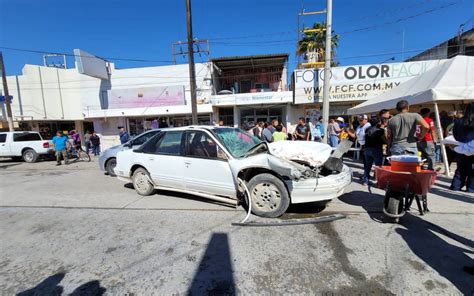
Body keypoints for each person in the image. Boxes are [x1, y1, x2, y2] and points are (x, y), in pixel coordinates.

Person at [450, 103, 474, 193]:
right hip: (472, 148)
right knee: (472, 169)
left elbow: (455, 134)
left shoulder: (459, 121)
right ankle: (471, 188)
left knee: (460, 168)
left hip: (460, 147)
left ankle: (455, 186)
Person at [362, 118, 386, 185]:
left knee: (367, 166)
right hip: (377, 149)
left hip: (367, 149)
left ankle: (365, 181)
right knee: (378, 166)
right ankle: (379, 182)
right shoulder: (380, 130)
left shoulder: (367, 129)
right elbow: (384, 139)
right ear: (378, 123)